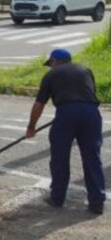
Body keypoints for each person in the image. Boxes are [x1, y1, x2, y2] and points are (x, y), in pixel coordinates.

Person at [26, 48, 105, 215]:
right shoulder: (85, 70)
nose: (51, 67)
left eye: (51, 64)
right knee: (92, 157)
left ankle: (57, 197)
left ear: (55, 61)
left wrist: (31, 126)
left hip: (66, 113)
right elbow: (88, 94)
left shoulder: (51, 75)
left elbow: (39, 104)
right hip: (91, 113)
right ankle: (97, 202)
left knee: (59, 157)